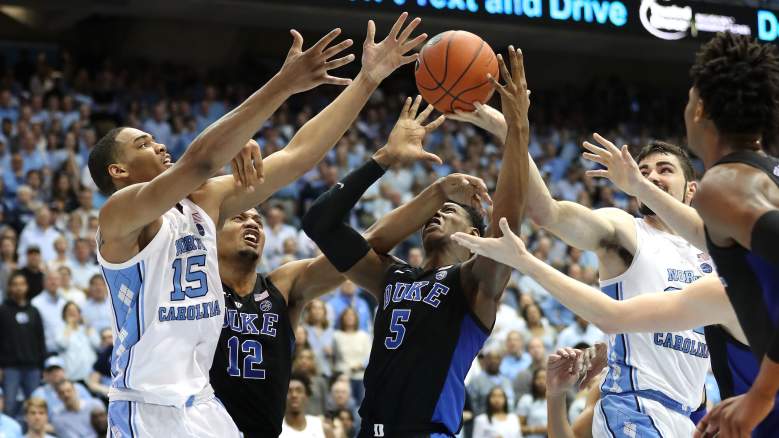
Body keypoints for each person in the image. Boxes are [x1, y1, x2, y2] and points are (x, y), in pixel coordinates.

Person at [90, 25, 354, 437]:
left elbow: (300, 156)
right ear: (118, 171)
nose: (159, 146)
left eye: (155, 140)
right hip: (147, 406)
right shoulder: (118, 214)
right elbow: (197, 162)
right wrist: (283, 84)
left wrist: (371, 78)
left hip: (203, 403)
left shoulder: (202, 204)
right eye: (143, 144)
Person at [209, 13, 443, 437]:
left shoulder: (283, 285)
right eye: (241, 216)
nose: (253, 222)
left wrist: (389, 164)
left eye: (258, 218)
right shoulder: (197, 281)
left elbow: (361, 245)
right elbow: (200, 170)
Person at [303, 47, 528, 437]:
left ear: (476, 239)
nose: (437, 215)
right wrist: (388, 161)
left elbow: (506, 225)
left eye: (451, 211)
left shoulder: (473, 283)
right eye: (436, 212)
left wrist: (517, 129)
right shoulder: (391, 276)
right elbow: (320, 223)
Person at [452, 107, 710, 436]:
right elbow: (548, 212)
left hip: (683, 416)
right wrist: (510, 132)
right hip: (635, 407)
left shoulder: (709, 254)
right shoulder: (626, 230)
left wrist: (608, 350)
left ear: (691, 189)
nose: (652, 176)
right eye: (643, 171)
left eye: (665, 169)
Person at [683, 33, 779, 438]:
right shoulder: (767, 173)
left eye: (688, 101)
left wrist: (761, 393)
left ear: (701, 107)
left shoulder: (721, 185)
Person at [0, 271, 45, 418]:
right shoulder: (3, 310)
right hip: (10, 368)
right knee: (9, 407)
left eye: (22, 284)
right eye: (15, 284)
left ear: (26, 287)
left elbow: (40, 339)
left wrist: (41, 365)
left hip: (33, 368)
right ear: (9, 287)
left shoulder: (34, 311)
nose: (19, 288)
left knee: (35, 406)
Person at [333, 307, 372, 403]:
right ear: (342, 318)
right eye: (347, 315)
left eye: (352, 315)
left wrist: (361, 365)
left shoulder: (364, 336)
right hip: (343, 377)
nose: (349, 317)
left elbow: (370, 356)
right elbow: (334, 358)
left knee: (361, 405)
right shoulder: (336, 336)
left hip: (360, 377)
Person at [55, 302, 99, 382]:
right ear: (64, 315)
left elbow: (97, 345)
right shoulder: (60, 330)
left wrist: (87, 327)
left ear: (80, 314)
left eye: (75, 311)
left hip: (91, 375)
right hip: (72, 375)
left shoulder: (86, 328)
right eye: (69, 312)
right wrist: (69, 326)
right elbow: (63, 344)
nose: (73, 313)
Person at [280, 373, 330, 438]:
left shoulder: (323, 428)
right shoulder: (276, 430)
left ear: (306, 396)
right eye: (289, 391)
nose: (294, 395)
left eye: (299, 391)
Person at [31, 271, 66, 354]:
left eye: (56, 279)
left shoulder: (65, 302)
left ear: (60, 282)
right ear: (43, 283)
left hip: (66, 352)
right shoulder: (35, 303)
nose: (53, 282)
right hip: (46, 351)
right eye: (50, 279)